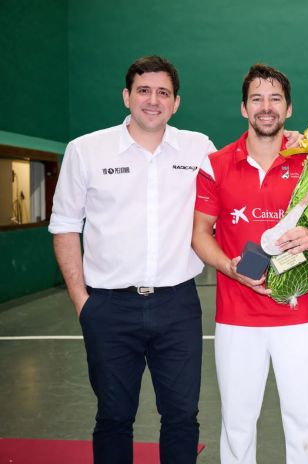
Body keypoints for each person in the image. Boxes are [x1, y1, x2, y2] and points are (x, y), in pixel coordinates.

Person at [49, 56, 215, 464]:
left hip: (177, 305)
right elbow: (66, 225)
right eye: (144, 90)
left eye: (163, 93)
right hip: (108, 307)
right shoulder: (85, 150)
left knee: (181, 417)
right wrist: (81, 302)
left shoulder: (200, 148)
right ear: (126, 96)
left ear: (176, 102)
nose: (153, 100)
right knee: (114, 417)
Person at [191, 63, 308, 464]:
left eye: (275, 99)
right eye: (257, 99)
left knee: (305, 425)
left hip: (299, 318)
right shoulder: (215, 164)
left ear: (289, 109)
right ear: (244, 108)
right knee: (238, 426)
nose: (266, 107)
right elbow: (199, 234)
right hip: (236, 319)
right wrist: (230, 268)